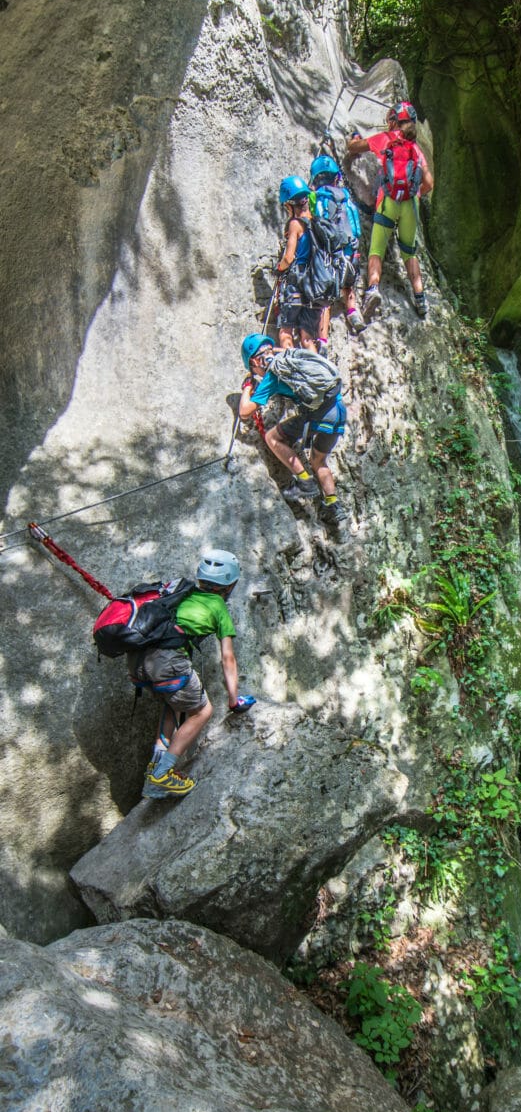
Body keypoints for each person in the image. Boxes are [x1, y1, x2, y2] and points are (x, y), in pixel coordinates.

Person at [127, 551, 254, 799]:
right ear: (230, 585)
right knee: (201, 711)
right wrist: (233, 699)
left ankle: (153, 773)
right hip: (167, 663)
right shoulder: (218, 607)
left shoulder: (182, 593)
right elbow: (228, 657)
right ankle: (162, 775)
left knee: (173, 708)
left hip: (138, 661)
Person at [238, 333, 349, 528]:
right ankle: (333, 505)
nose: (257, 374)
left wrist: (248, 386)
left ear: (256, 361)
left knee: (273, 437)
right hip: (338, 410)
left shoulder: (273, 374)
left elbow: (245, 412)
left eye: (254, 369)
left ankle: (304, 482)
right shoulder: (292, 356)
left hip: (319, 415)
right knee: (318, 460)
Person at [346, 102, 434, 322]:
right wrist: (413, 194)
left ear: (393, 120)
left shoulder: (387, 139)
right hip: (409, 206)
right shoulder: (415, 149)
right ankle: (420, 299)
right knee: (409, 252)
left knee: (376, 248)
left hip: (388, 201)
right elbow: (429, 183)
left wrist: (353, 138)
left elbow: (354, 148)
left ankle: (372, 290)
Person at [309, 153, 366, 348]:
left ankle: (322, 340)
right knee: (349, 284)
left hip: (329, 253)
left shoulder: (317, 198)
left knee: (325, 298)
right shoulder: (346, 198)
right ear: (336, 178)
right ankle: (353, 313)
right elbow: (355, 226)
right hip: (350, 249)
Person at [275, 175, 321, 352]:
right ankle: (317, 376)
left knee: (286, 332)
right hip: (315, 287)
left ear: (289, 204)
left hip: (296, 285)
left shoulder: (295, 224)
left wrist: (278, 269)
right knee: (307, 338)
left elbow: (288, 258)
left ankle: (293, 375)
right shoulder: (316, 222)